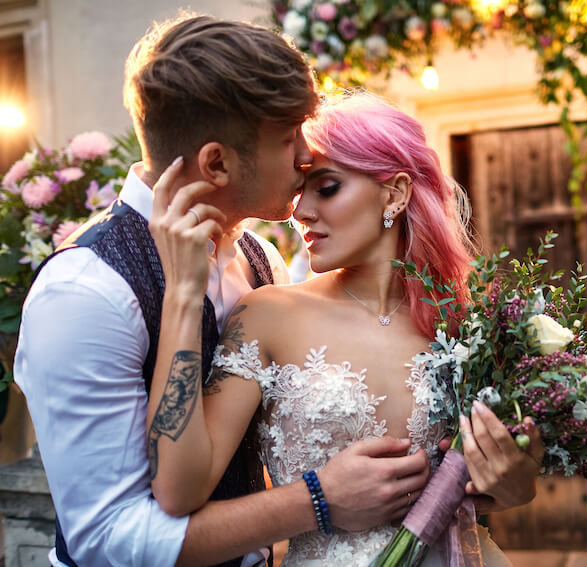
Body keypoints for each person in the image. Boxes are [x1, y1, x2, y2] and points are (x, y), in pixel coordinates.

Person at [14, 16, 453, 567]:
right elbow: (108, 538)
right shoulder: (83, 293)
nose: (304, 155)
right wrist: (319, 501)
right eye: (288, 137)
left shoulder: (259, 260)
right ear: (217, 162)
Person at [146, 93, 545, 565]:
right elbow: (176, 491)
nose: (301, 212)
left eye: (327, 187)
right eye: (300, 192)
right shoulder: (266, 315)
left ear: (394, 192)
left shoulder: (470, 321)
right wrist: (181, 298)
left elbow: (501, 484)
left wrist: (515, 483)